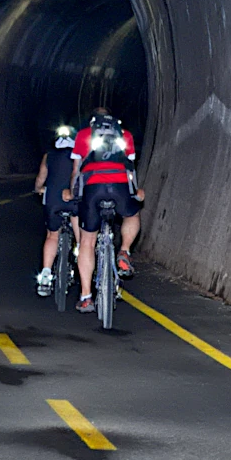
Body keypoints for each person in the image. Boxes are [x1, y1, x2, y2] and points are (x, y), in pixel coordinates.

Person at [62, 107, 144, 313]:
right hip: (119, 186)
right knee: (132, 214)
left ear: (92, 122)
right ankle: (124, 251)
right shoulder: (125, 135)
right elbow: (130, 168)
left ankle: (86, 296)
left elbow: (76, 170)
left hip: (92, 188)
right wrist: (136, 192)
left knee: (87, 241)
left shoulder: (83, 135)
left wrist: (73, 193)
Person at [33, 126, 79, 296]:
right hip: (73, 198)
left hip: (53, 199)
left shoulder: (49, 156)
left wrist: (38, 189)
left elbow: (40, 179)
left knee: (52, 235)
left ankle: (46, 274)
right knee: (83, 237)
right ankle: (81, 255)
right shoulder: (78, 155)